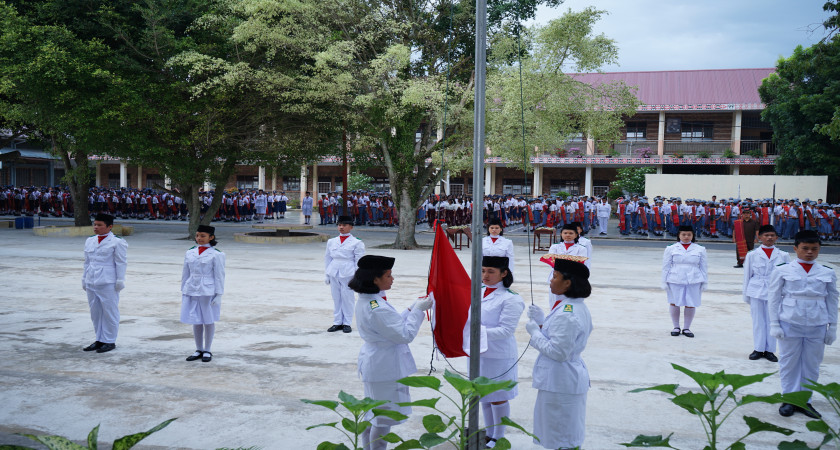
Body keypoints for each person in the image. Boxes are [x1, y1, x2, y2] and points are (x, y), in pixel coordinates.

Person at [350, 255, 433, 450]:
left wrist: (412, 307)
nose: (392, 279)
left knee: (373, 414)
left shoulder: (371, 300)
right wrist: (418, 312)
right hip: (384, 366)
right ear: (375, 279)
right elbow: (404, 334)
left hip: (378, 361)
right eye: (388, 275)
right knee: (382, 419)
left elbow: (392, 324)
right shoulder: (377, 307)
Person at [525, 258, 593, 450]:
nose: (550, 281)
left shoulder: (567, 313)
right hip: (560, 379)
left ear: (568, 283)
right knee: (560, 432)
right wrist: (541, 321)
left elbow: (558, 352)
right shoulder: (570, 306)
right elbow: (560, 337)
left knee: (561, 436)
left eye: (555, 277)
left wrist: (535, 332)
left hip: (560, 381)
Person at [770, 230, 838, 418]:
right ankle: (790, 399)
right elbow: (774, 298)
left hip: (817, 323)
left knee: (812, 364)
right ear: (795, 249)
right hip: (790, 321)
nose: (809, 252)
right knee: (788, 362)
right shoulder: (782, 269)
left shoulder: (827, 272)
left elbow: (832, 300)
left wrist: (833, 327)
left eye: (814, 249)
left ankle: (805, 400)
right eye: (805, 248)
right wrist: (774, 324)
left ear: (819, 250)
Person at [462, 256, 524, 448]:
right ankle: (489, 433)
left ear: (503, 273)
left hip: (498, 355)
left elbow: (506, 330)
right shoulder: (477, 291)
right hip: (478, 352)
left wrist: (474, 331)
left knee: (497, 396)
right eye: (483, 271)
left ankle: (499, 436)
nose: (485, 275)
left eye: (491, 271)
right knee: (483, 395)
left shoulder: (511, 298)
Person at [82, 213, 128, 353]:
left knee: (109, 312)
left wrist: (120, 280)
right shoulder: (90, 240)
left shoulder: (117, 242)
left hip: (108, 281)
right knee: (95, 312)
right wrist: (84, 278)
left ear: (109, 226)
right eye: (95, 224)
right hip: (91, 280)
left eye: (100, 225)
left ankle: (109, 341)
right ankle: (99, 339)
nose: (96, 227)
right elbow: (87, 262)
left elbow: (121, 262)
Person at [742, 224, 789, 362]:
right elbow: (747, 275)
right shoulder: (752, 255)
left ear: (776, 237)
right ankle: (758, 349)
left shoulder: (783, 255)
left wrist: (786, 294)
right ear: (759, 237)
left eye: (772, 235)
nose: (769, 238)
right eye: (766, 235)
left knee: (773, 320)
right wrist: (745, 294)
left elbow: (787, 276)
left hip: (775, 290)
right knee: (758, 321)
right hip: (756, 289)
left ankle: (770, 350)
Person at [180, 225, 225, 362]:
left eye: (203, 236)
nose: (199, 238)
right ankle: (198, 348)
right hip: (192, 288)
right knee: (196, 319)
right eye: (198, 235)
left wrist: (219, 294)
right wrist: (183, 289)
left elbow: (219, 275)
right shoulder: (190, 252)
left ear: (211, 237)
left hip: (207, 290)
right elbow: (185, 272)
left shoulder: (217, 254)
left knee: (208, 319)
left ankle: (207, 350)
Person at [661, 225, 707, 338]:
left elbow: (703, 267)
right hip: (675, 279)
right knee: (674, 302)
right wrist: (664, 281)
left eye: (689, 234)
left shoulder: (700, 249)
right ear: (679, 235)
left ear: (693, 235)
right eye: (683, 234)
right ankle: (676, 327)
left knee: (690, 303)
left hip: (694, 279)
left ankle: (686, 328)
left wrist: (705, 281)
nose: (686, 237)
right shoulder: (671, 248)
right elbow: (666, 266)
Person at [325, 215, 365, 333]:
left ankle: (347, 322)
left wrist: (357, 277)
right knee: (336, 298)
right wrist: (326, 274)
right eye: (339, 225)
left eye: (344, 225)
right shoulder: (331, 241)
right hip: (334, 271)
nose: (341, 227)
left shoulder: (357, 242)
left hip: (348, 272)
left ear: (351, 227)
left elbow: (359, 261)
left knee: (348, 298)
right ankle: (337, 322)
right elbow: (327, 258)